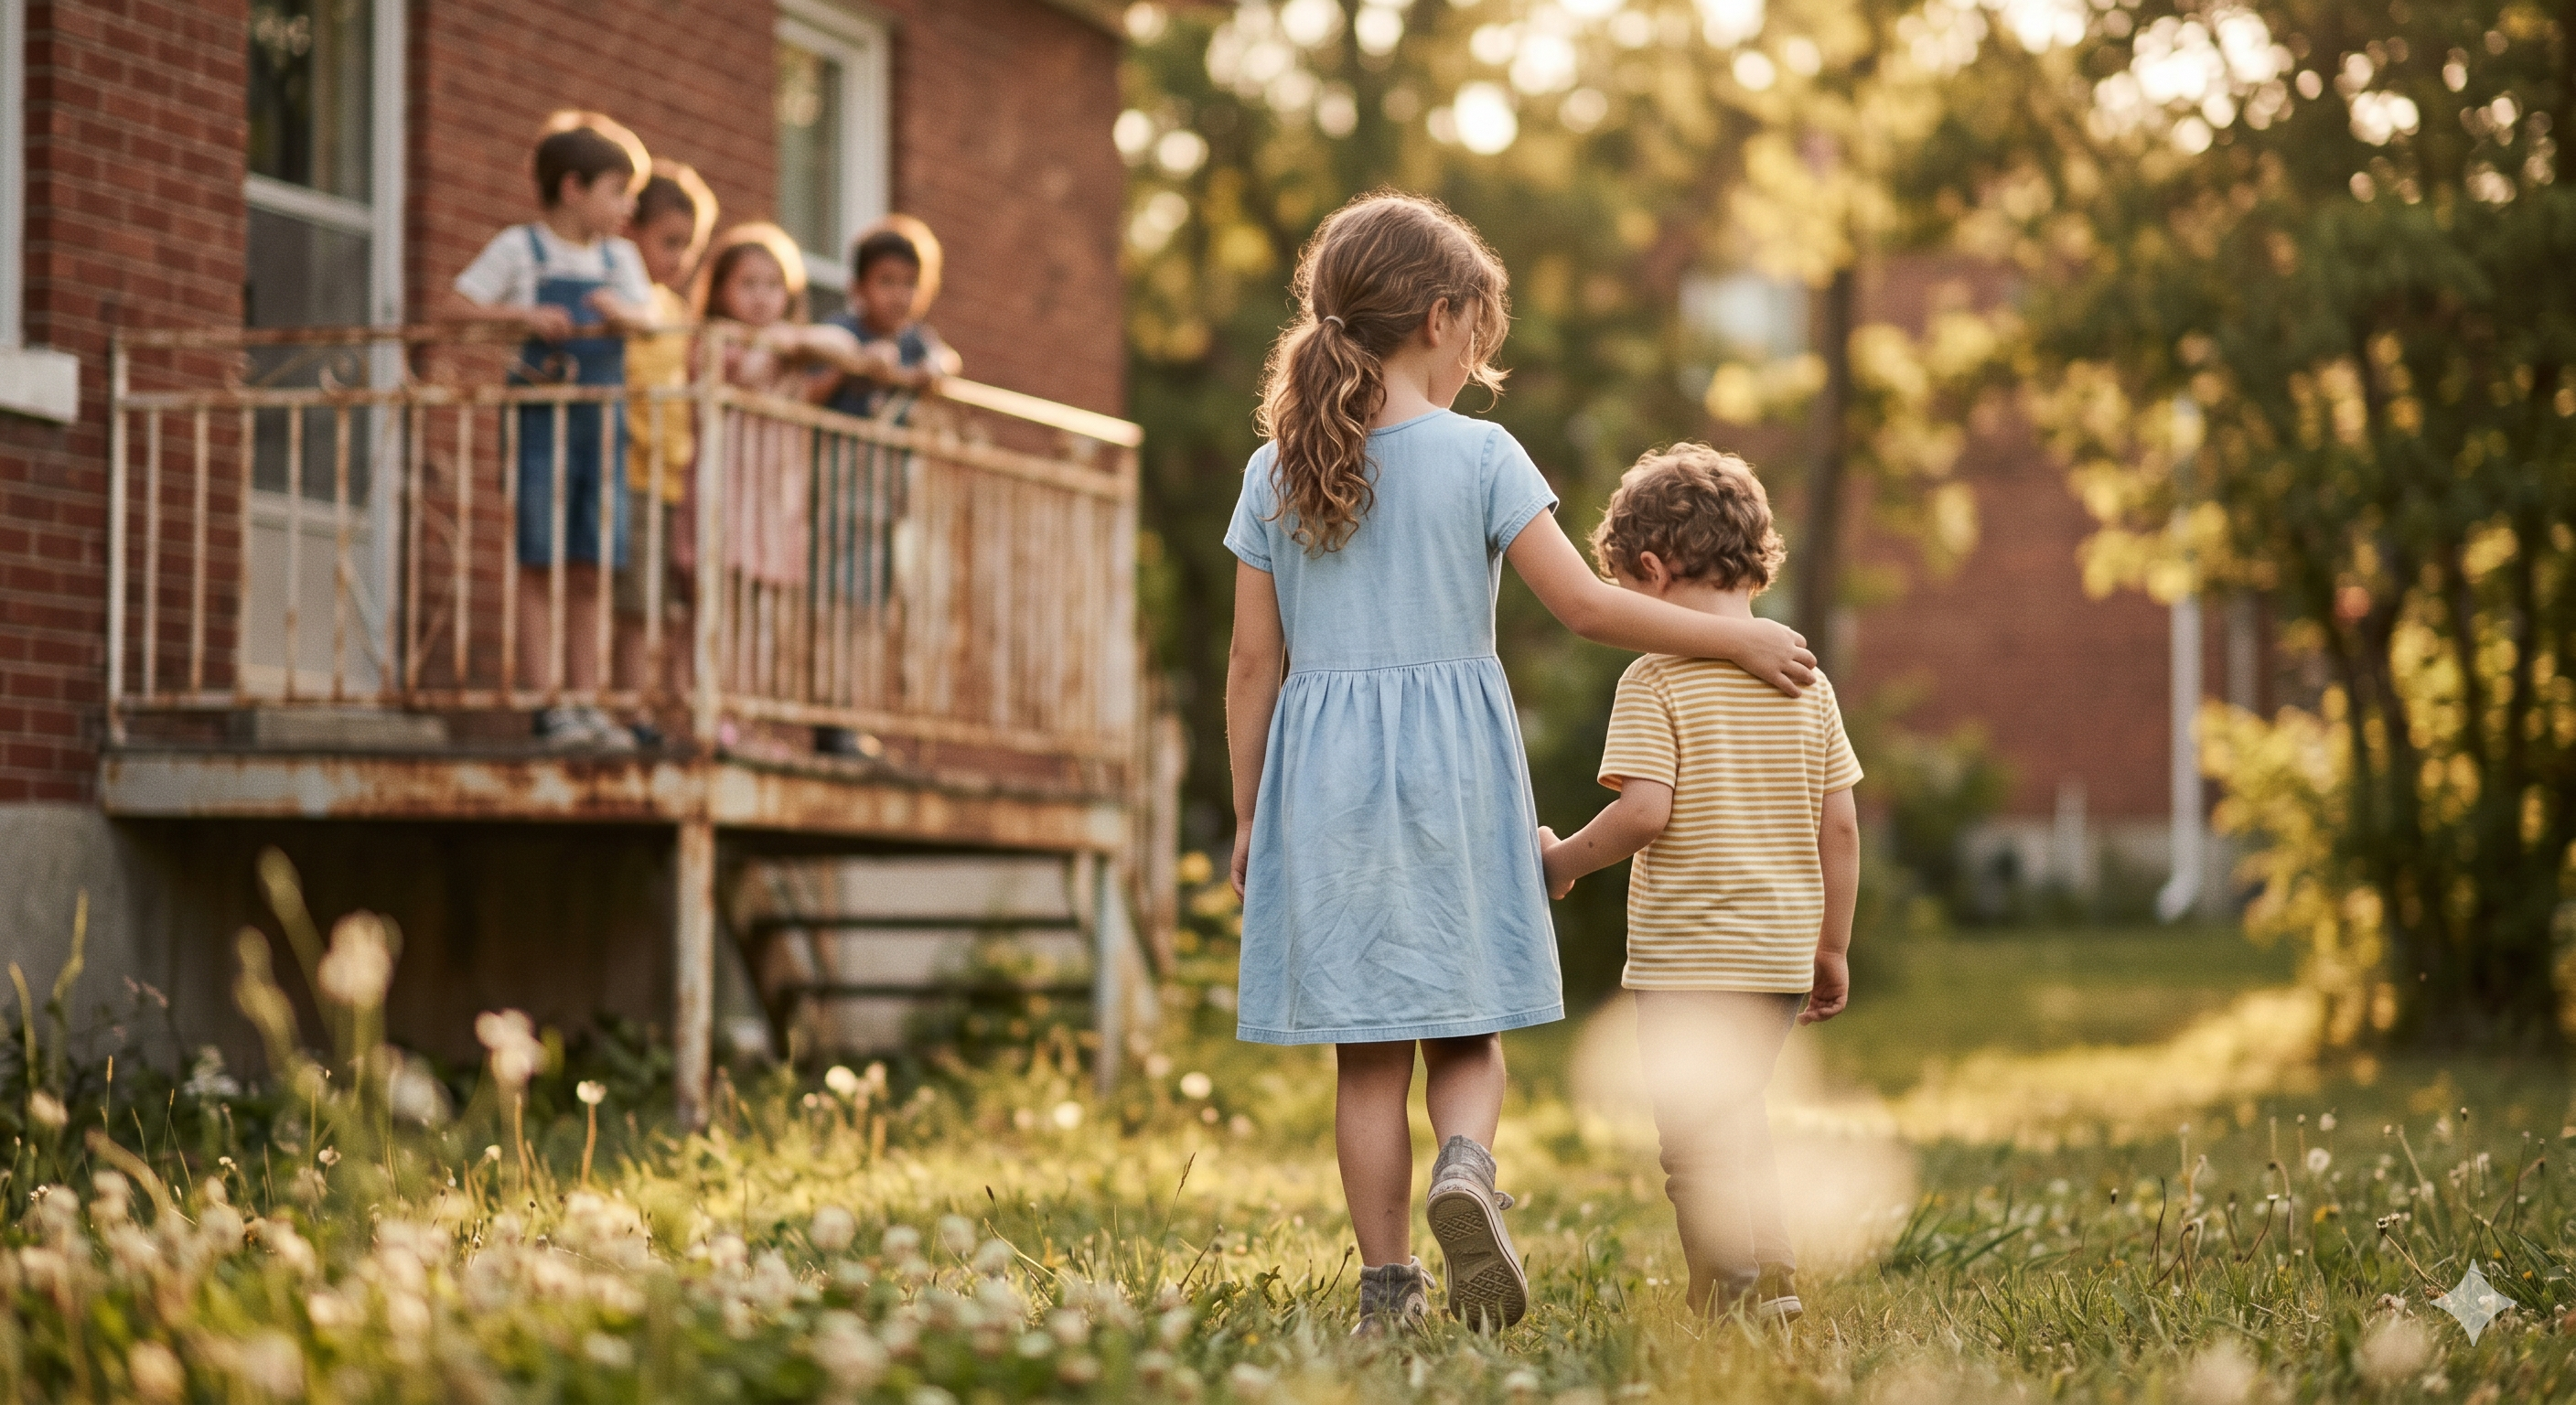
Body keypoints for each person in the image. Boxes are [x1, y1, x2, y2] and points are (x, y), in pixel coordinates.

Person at [1221, 192, 1818, 1336]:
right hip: (1452, 769)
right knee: (1465, 1030)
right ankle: (1464, 1165)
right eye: (1472, 344)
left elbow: (1253, 665)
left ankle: (1385, 1294)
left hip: (1323, 779)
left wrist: (1252, 815)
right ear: (1441, 318)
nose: (1469, 371)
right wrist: (1738, 633)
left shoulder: (1273, 470)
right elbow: (1590, 608)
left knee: (1364, 1058)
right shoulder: (1480, 454)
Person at [1536, 445, 1863, 1325]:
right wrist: (1830, 947)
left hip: (1691, 957)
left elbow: (1645, 813)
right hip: (1781, 954)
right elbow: (1840, 825)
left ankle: (1728, 1294)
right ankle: (1777, 1283)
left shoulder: (1654, 678)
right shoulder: (1807, 683)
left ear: (1648, 570)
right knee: (1740, 1115)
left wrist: (1561, 861)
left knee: (1693, 1142)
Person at [447, 112, 656, 748]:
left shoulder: (621, 259)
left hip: (603, 426)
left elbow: (650, 322)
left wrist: (622, 314)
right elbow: (456, 308)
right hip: (541, 422)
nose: (627, 208)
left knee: (593, 564)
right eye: (617, 192)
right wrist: (524, 315)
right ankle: (546, 703)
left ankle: (586, 699)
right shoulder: (520, 247)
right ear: (573, 189)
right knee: (541, 559)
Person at [693, 224, 864, 700]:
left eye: (773, 286)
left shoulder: (792, 342)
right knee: (721, 612)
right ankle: (719, 711)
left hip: (775, 502)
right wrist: (789, 347)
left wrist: (802, 347)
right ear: (720, 290)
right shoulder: (718, 341)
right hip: (728, 495)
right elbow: (750, 374)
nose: (762, 298)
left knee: (762, 619)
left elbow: (840, 346)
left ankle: (749, 713)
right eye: (748, 285)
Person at [617, 161, 717, 719]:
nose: (679, 259)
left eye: (690, 247)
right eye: (669, 242)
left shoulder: (680, 313)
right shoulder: (627, 304)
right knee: (634, 605)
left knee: (670, 607)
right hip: (632, 471)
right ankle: (630, 710)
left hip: (676, 480)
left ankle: (664, 711)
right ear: (632, 232)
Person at [811, 215, 961, 420]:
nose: (899, 296)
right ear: (858, 287)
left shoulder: (916, 340)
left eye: (910, 283)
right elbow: (807, 395)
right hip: (837, 448)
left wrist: (933, 368)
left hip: (887, 451)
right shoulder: (840, 330)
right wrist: (854, 364)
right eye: (886, 281)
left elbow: (948, 359)